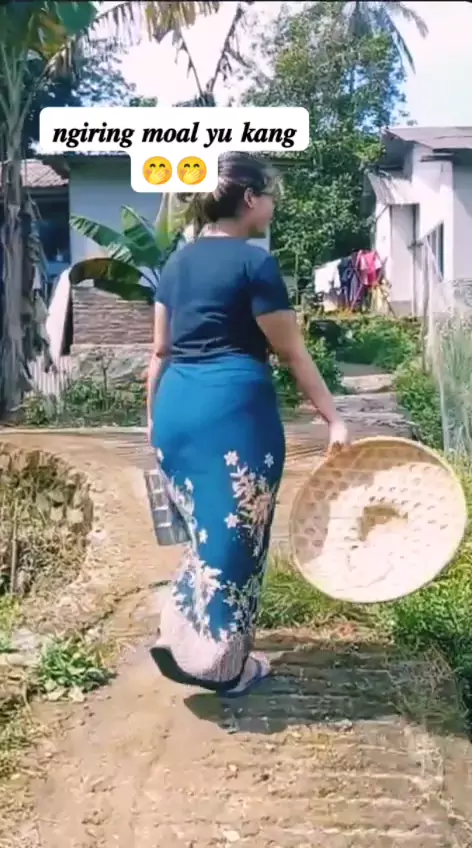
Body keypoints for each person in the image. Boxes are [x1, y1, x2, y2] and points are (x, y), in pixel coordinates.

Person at [146, 152, 349, 698]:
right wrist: (334, 419)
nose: (274, 205)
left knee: (205, 534)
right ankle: (225, 667)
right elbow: (293, 353)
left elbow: (159, 351)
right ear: (250, 199)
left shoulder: (176, 263)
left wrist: (153, 421)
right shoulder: (254, 264)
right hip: (231, 413)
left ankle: (181, 635)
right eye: (271, 195)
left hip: (175, 406)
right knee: (237, 537)